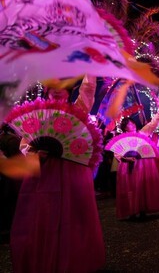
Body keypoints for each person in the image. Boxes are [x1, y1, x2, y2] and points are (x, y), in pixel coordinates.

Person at [10, 75, 106, 272]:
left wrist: (91, 66)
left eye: (61, 86)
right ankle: (44, 261)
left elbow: (88, 89)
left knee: (72, 216)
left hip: (72, 172)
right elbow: (25, 145)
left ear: (69, 92)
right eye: (51, 86)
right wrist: (36, 152)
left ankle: (72, 261)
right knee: (42, 216)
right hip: (42, 173)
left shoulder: (77, 110)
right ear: (45, 91)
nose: (56, 89)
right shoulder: (36, 114)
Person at [114, 115, 159, 220]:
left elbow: (151, 125)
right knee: (130, 188)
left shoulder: (141, 133)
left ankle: (142, 209)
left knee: (141, 186)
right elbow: (117, 153)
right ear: (124, 127)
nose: (132, 124)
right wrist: (125, 159)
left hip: (142, 164)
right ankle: (131, 211)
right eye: (129, 124)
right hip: (128, 166)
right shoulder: (121, 139)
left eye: (132, 122)